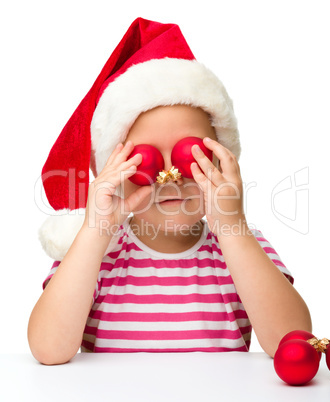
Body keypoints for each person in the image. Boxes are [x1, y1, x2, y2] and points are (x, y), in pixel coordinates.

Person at [28, 18, 312, 365]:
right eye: (143, 160)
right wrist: (94, 230)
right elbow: (48, 351)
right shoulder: (94, 252)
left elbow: (295, 345)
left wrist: (231, 227)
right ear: (114, 173)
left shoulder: (240, 245)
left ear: (223, 163)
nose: (168, 176)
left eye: (191, 156)